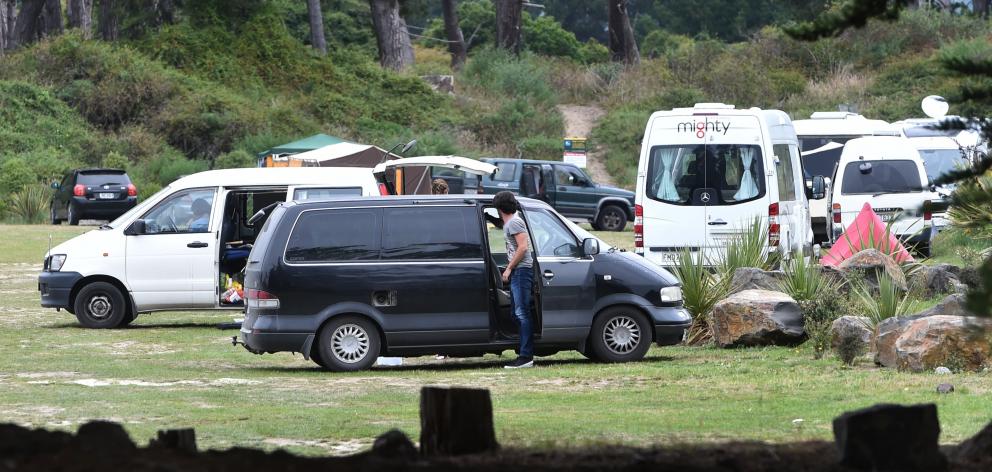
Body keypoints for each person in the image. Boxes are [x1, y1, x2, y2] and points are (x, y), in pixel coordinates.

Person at [493, 191, 534, 369]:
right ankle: (524, 351)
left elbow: (523, 247)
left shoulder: (515, 222)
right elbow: (505, 228)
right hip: (518, 270)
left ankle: (526, 356)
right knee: (516, 313)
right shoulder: (510, 222)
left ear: (500, 208)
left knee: (521, 313)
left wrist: (509, 268)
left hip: (522, 270)